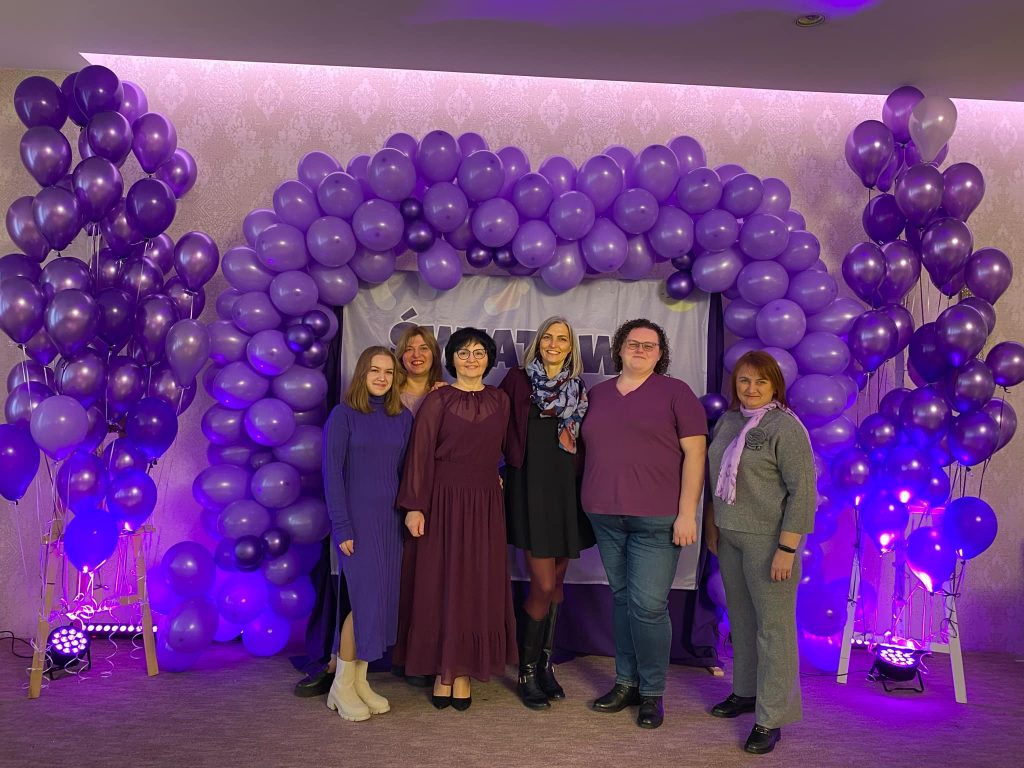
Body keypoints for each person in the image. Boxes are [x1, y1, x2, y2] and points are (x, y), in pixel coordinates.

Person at [581, 318, 707, 730]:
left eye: (649, 345)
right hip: (605, 515)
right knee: (622, 600)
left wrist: (687, 513)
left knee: (649, 607)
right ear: (619, 348)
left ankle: (652, 692)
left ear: (660, 354)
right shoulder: (597, 395)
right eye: (633, 343)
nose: (640, 350)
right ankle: (626, 683)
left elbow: (695, 456)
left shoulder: (676, 393)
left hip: (658, 520)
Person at [393, 327, 516, 711]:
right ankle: (442, 669)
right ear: (452, 359)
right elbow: (420, 453)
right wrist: (415, 506)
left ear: (489, 358)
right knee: (441, 581)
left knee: (476, 583)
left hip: (484, 503)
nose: (471, 359)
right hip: (442, 500)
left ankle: (462, 671)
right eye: (463, 352)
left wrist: (496, 475)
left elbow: (507, 450)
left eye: (479, 352)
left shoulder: (501, 400)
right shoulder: (438, 400)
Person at [705, 350, 816, 755]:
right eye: (744, 381)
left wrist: (787, 548)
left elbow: (803, 493)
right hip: (730, 536)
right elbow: (716, 479)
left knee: (774, 629)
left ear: (775, 386)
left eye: (760, 381)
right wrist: (713, 525)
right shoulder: (729, 421)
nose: (751, 389)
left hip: (770, 542)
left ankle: (771, 717)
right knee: (742, 620)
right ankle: (746, 691)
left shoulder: (785, 427)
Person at [499, 316, 594, 710]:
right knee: (541, 584)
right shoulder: (517, 381)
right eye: (548, 338)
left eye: (562, 339)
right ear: (538, 343)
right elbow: (492, 420)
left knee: (556, 585)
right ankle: (525, 672)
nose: (554, 344)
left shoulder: (579, 388)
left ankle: (544, 665)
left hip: (566, 492)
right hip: (529, 490)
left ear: (571, 348)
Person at [322, 346, 413, 721]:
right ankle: (341, 686)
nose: (381, 377)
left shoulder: (402, 417)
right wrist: (341, 525)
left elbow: (407, 473)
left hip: (390, 523)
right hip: (356, 523)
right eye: (375, 370)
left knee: (380, 603)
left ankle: (359, 681)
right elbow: (332, 474)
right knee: (363, 603)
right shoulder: (343, 415)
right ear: (362, 373)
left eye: (388, 372)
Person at [396, 325, 446, 415]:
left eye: (423, 348)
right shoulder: (390, 394)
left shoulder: (445, 394)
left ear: (434, 354)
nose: (416, 355)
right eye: (409, 349)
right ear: (401, 357)